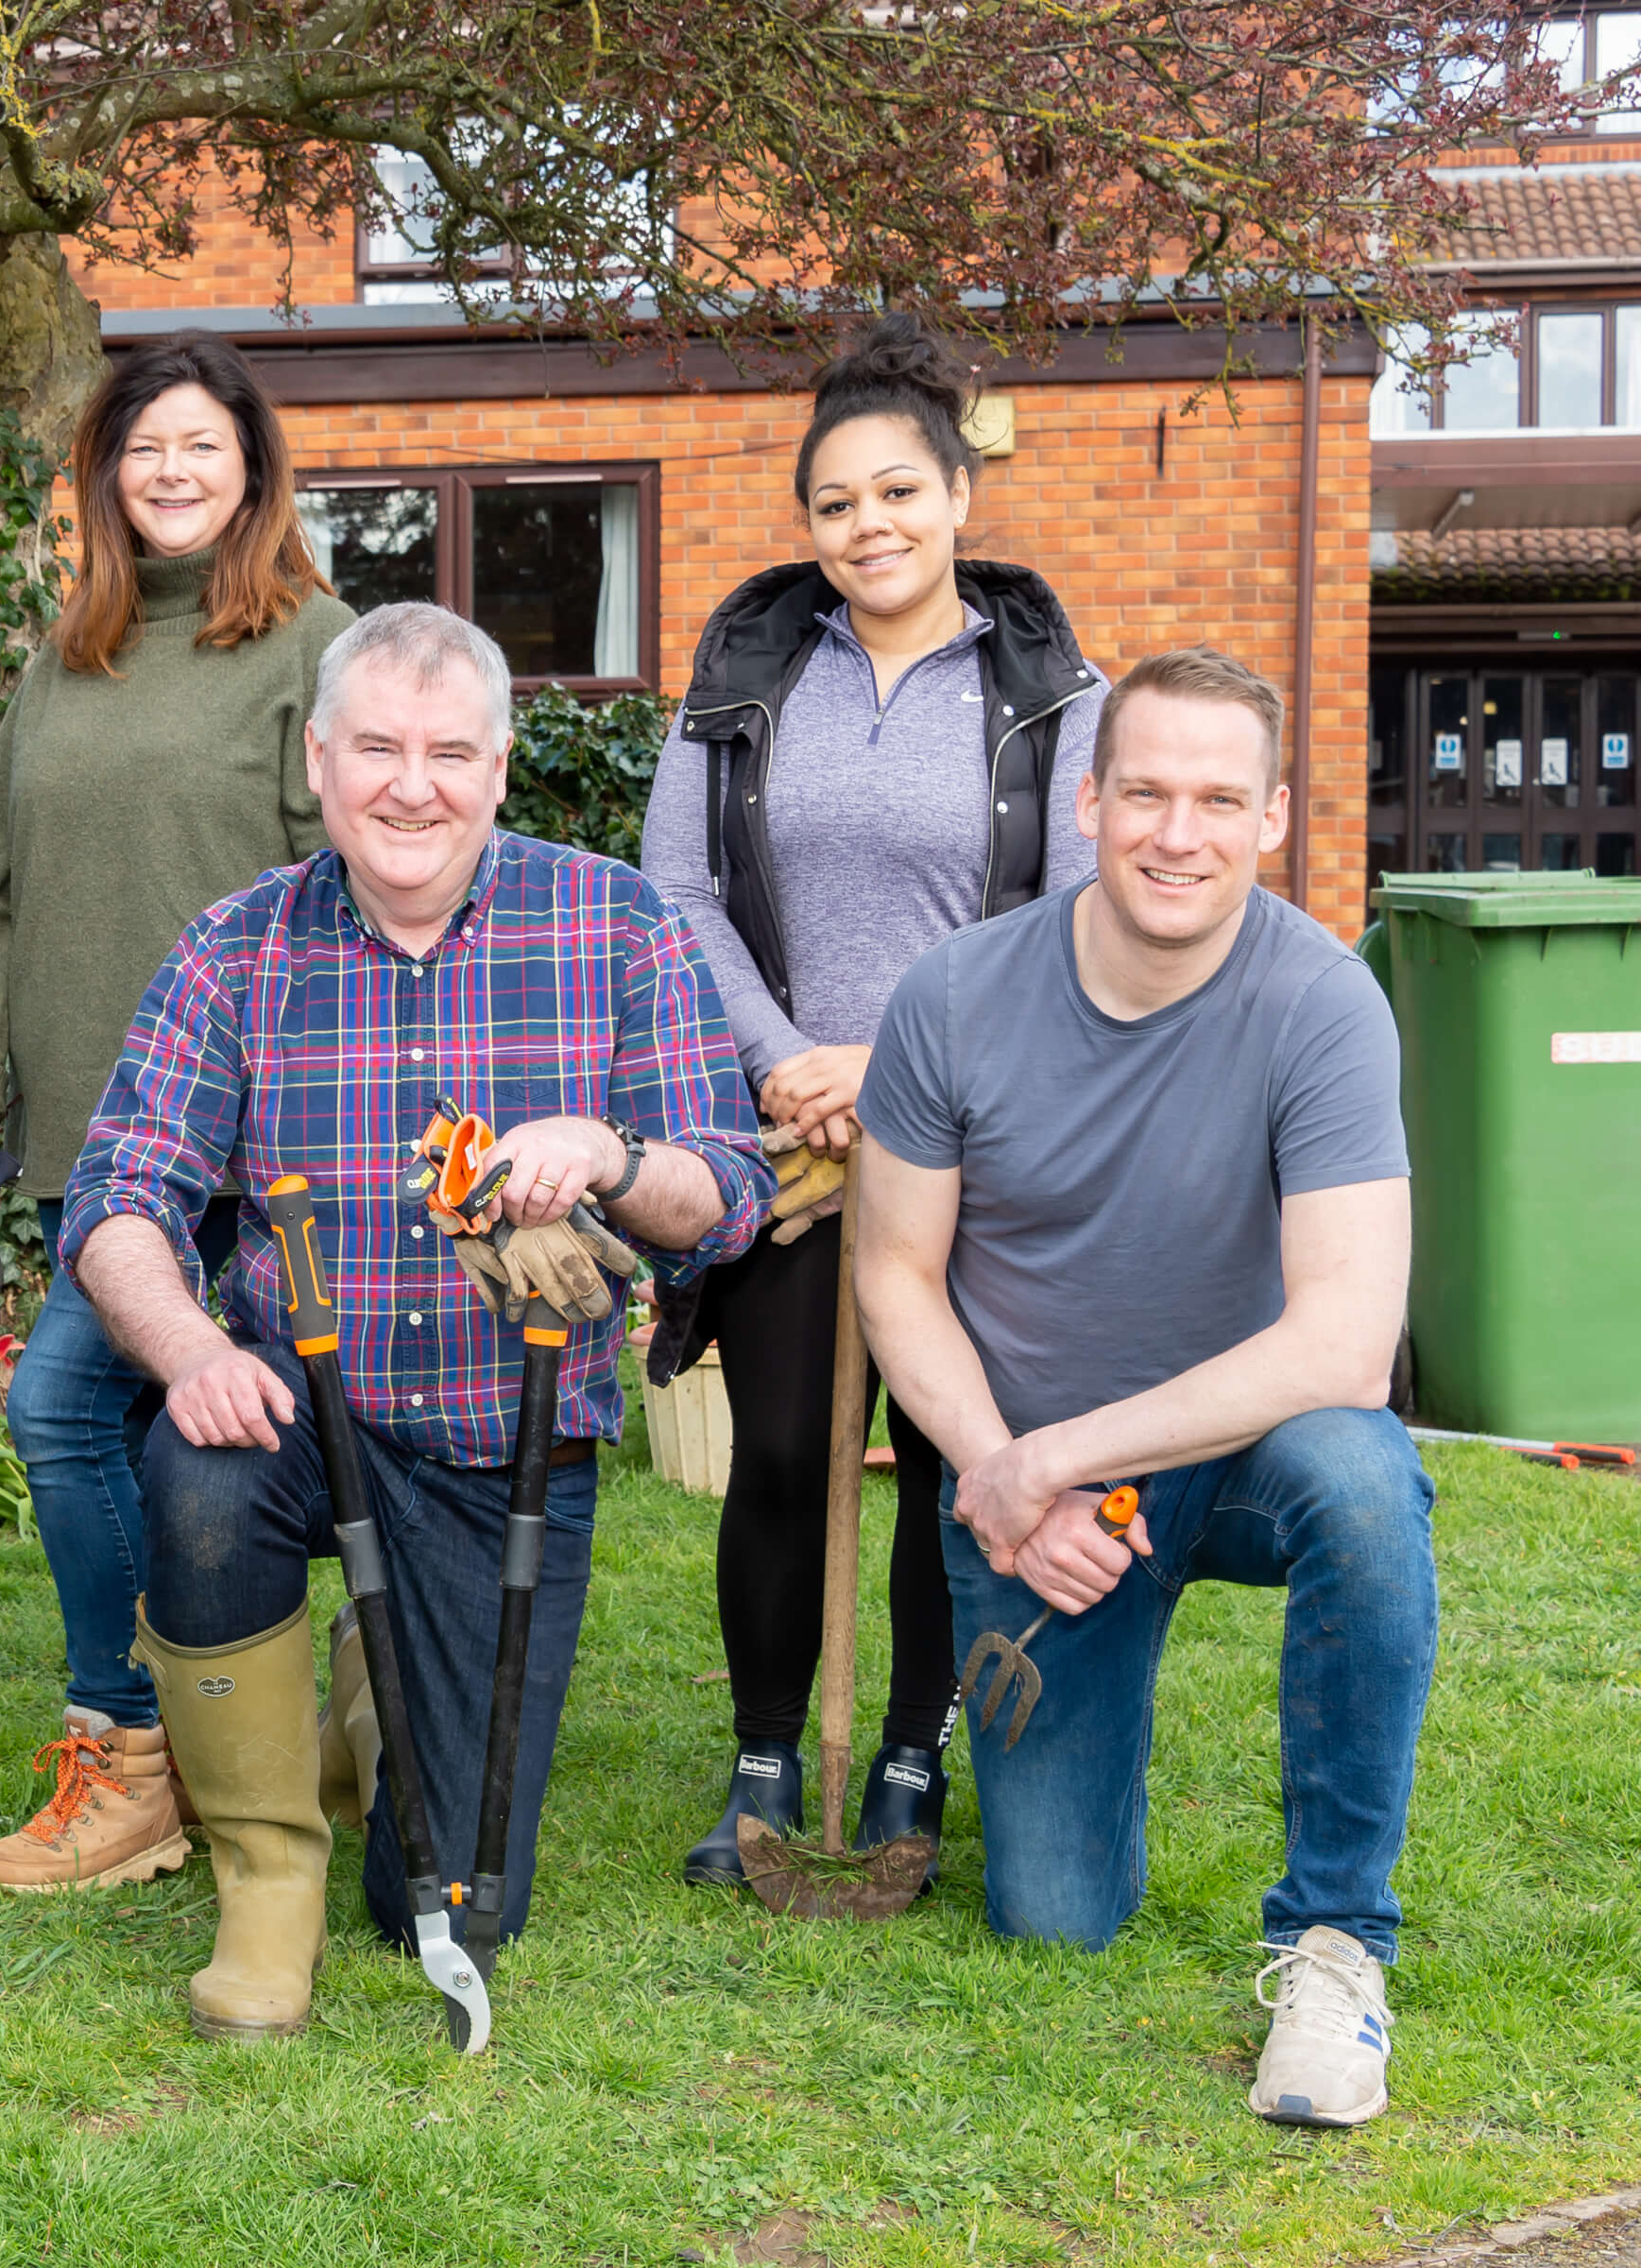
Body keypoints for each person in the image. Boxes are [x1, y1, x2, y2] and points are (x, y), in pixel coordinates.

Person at [60, 603, 773, 2041]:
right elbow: (116, 1194)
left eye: (449, 752)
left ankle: (361, 1723)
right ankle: (266, 1879)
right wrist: (193, 1352)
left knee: (451, 1904)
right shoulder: (235, 948)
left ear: (499, 768)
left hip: (493, 1454)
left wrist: (618, 1161)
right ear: (317, 761)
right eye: (374, 747)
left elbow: (734, 1188)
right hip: (294, 1416)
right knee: (192, 1477)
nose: (410, 785)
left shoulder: (613, 922)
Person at [849, 646, 1427, 2129]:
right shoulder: (955, 995)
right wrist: (1000, 1471)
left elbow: (1345, 1345)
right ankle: (1092, 1776)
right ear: (1090, 801)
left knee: (1363, 1480)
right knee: (1051, 1920)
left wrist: (1050, 1455)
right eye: (1148, 792)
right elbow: (895, 1272)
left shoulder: (1323, 1004)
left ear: (1275, 816)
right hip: (1036, 1498)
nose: (1181, 833)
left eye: (1219, 799)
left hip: (1236, 1458)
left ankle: (1334, 1947)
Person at [638, 315, 1104, 1888]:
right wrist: (780, 1055)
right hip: (786, 1132)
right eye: (835, 504)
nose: (869, 528)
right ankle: (767, 1756)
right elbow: (678, 894)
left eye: (899, 492)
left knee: (947, 1459)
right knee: (778, 1446)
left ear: (961, 493)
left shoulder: (1051, 692)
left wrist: (891, 1051)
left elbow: (1079, 909)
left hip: (974, 1128)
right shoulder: (745, 673)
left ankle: (909, 1758)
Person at [0, 334, 356, 1894]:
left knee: (63, 1413)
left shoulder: (317, 646)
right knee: (141, 1435)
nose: (170, 471)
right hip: (76, 1131)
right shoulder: (65, 656)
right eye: (141, 448)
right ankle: (246, 1730)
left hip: (238, 1145)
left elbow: (351, 903)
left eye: (200, 446)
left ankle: (141, 1744)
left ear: (252, 467)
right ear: (103, 473)